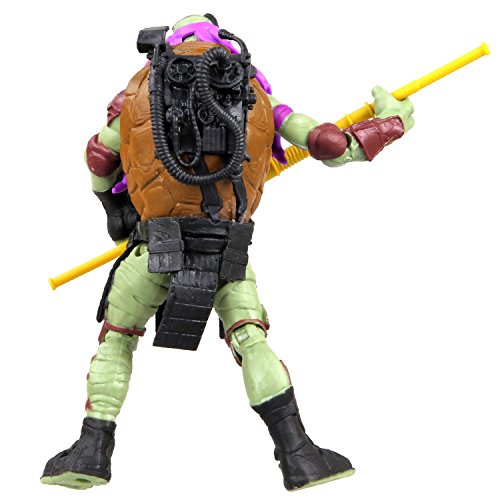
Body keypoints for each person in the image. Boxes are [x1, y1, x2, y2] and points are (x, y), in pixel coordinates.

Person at [41, 13, 415, 491]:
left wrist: (113, 209)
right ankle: (299, 455)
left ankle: (91, 452)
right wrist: (392, 121)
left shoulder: (138, 92)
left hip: (153, 246)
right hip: (225, 251)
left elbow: (98, 154)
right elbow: (331, 145)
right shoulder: (255, 94)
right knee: (250, 339)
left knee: (117, 339)